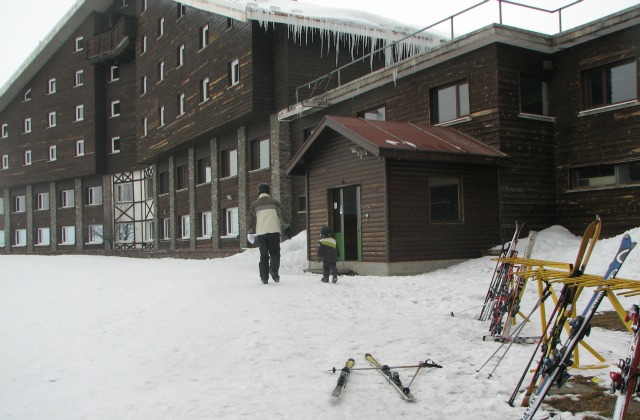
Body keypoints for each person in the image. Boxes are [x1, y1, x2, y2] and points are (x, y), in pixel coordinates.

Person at [247, 182, 291, 284]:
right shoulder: (275, 202)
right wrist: (287, 226)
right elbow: (283, 215)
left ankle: (264, 277)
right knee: (275, 253)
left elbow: (251, 219)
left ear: (258, 192)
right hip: (274, 232)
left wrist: (249, 232)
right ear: (268, 191)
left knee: (263, 255)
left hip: (261, 233)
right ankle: (274, 271)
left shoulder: (255, 204)